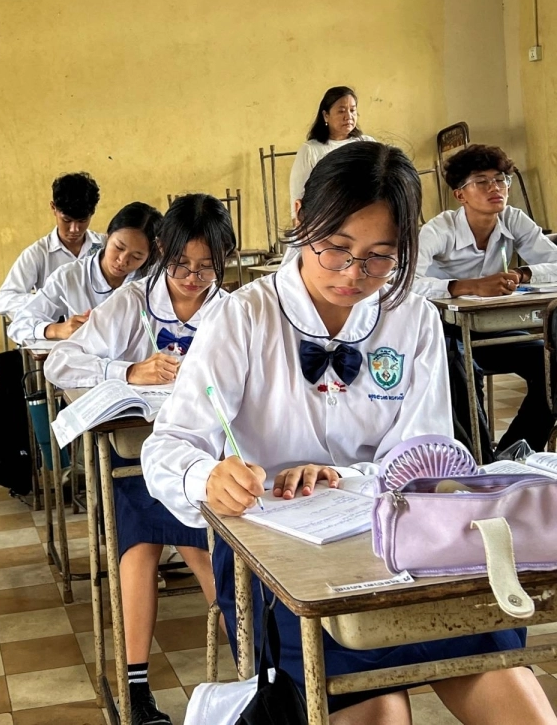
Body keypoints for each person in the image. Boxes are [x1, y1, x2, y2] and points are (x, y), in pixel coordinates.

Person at [142, 142, 556, 724]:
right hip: (280, 570)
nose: (351, 274)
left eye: (378, 257)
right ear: (300, 219)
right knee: (381, 709)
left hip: (405, 551)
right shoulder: (243, 317)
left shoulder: (410, 316)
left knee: (517, 701)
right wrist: (204, 475)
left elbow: (426, 455)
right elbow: (168, 443)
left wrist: (348, 476)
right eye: (334, 249)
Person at [46, 193, 234, 725]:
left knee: (208, 551)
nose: (192, 278)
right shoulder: (131, 302)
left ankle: (256, 672)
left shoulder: (234, 310)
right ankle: (135, 688)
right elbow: (63, 361)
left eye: (206, 268)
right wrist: (128, 373)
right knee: (141, 536)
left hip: (207, 461)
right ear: (162, 253)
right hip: (138, 453)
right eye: (179, 264)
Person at [413, 144, 557, 456]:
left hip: (493, 330)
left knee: (551, 363)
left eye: (501, 179)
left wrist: (523, 274)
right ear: (460, 195)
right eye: (482, 181)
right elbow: (405, 284)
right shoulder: (440, 229)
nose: (495, 188)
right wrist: (466, 286)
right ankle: (479, 462)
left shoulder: (514, 219)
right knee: (461, 368)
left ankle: (515, 454)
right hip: (445, 333)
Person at [6, 201, 158, 345]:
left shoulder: (153, 281)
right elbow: (19, 325)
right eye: (118, 247)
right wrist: (56, 329)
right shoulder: (70, 276)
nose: (123, 260)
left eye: (137, 256)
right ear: (107, 236)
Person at [0, 172, 103, 319]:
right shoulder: (38, 254)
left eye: (82, 220)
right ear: (53, 208)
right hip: (56, 337)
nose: (74, 229)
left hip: (100, 334)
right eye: (67, 220)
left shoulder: (104, 247)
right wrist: (45, 300)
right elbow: (3, 299)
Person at [288, 86, 375, 205]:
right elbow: (297, 195)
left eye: (352, 110)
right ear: (326, 115)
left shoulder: (368, 144)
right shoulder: (310, 150)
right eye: (341, 111)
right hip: (326, 217)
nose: (348, 116)